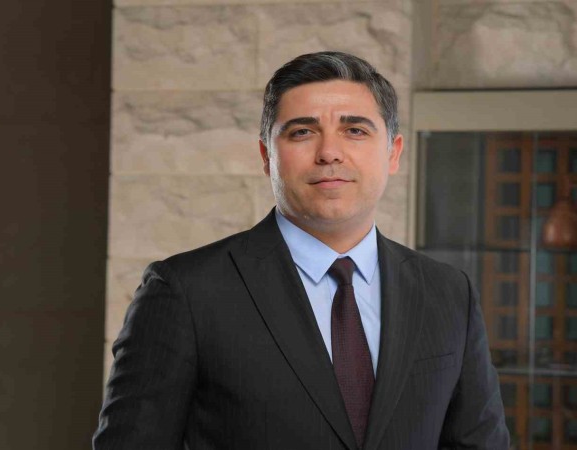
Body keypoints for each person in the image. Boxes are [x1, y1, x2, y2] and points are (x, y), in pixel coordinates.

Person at [93, 51, 509, 450]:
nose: (329, 153)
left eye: (355, 130)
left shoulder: (448, 293)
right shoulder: (186, 292)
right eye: (302, 132)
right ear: (267, 156)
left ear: (393, 153)